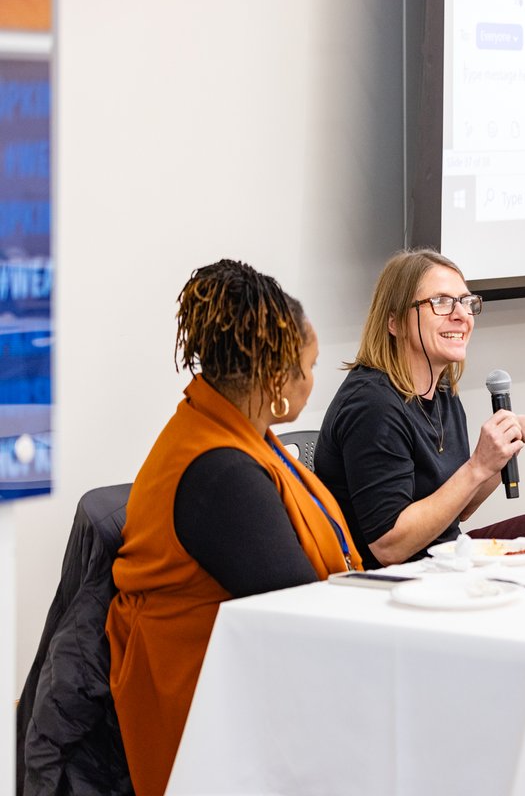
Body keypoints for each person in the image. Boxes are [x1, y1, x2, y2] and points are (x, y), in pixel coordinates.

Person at [106, 260, 361, 796]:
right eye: (310, 367)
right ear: (275, 378)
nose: (314, 381)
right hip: (206, 717)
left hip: (239, 686)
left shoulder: (229, 432)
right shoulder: (221, 472)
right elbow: (299, 610)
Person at [315, 249, 525, 568]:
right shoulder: (372, 404)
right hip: (394, 578)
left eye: (465, 301)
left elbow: (459, 509)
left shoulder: (442, 390)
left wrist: (502, 450)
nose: (462, 315)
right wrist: (477, 466)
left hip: (444, 558)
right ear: (394, 321)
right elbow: (389, 547)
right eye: (441, 302)